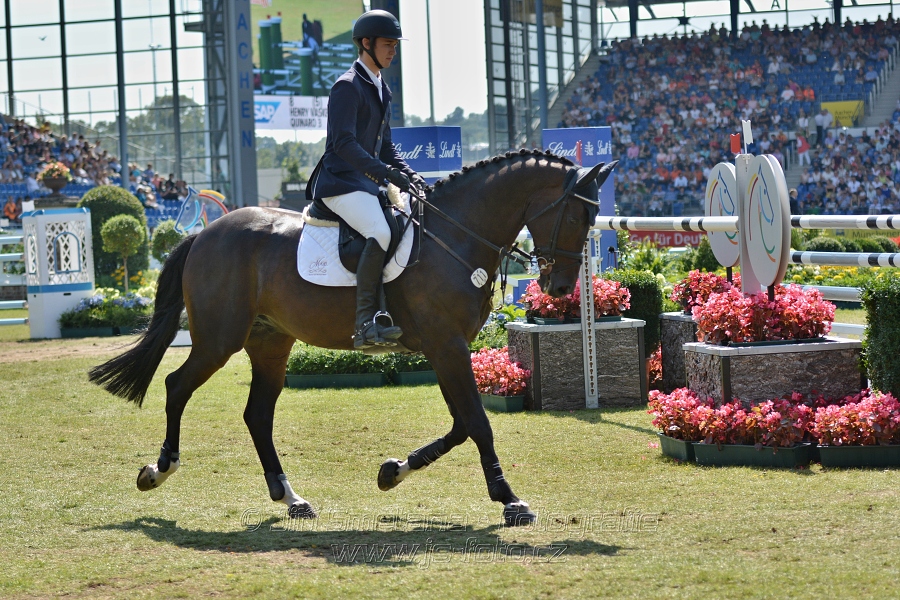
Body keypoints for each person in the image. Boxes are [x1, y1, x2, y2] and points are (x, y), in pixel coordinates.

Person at [305, 9, 424, 350]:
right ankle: (365, 324)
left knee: (408, 218)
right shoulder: (347, 86)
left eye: (395, 45)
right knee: (380, 231)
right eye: (388, 44)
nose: (393, 51)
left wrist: (411, 175)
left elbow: (386, 147)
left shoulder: (381, 88)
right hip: (340, 183)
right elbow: (343, 144)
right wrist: (383, 173)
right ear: (366, 43)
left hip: (365, 184)